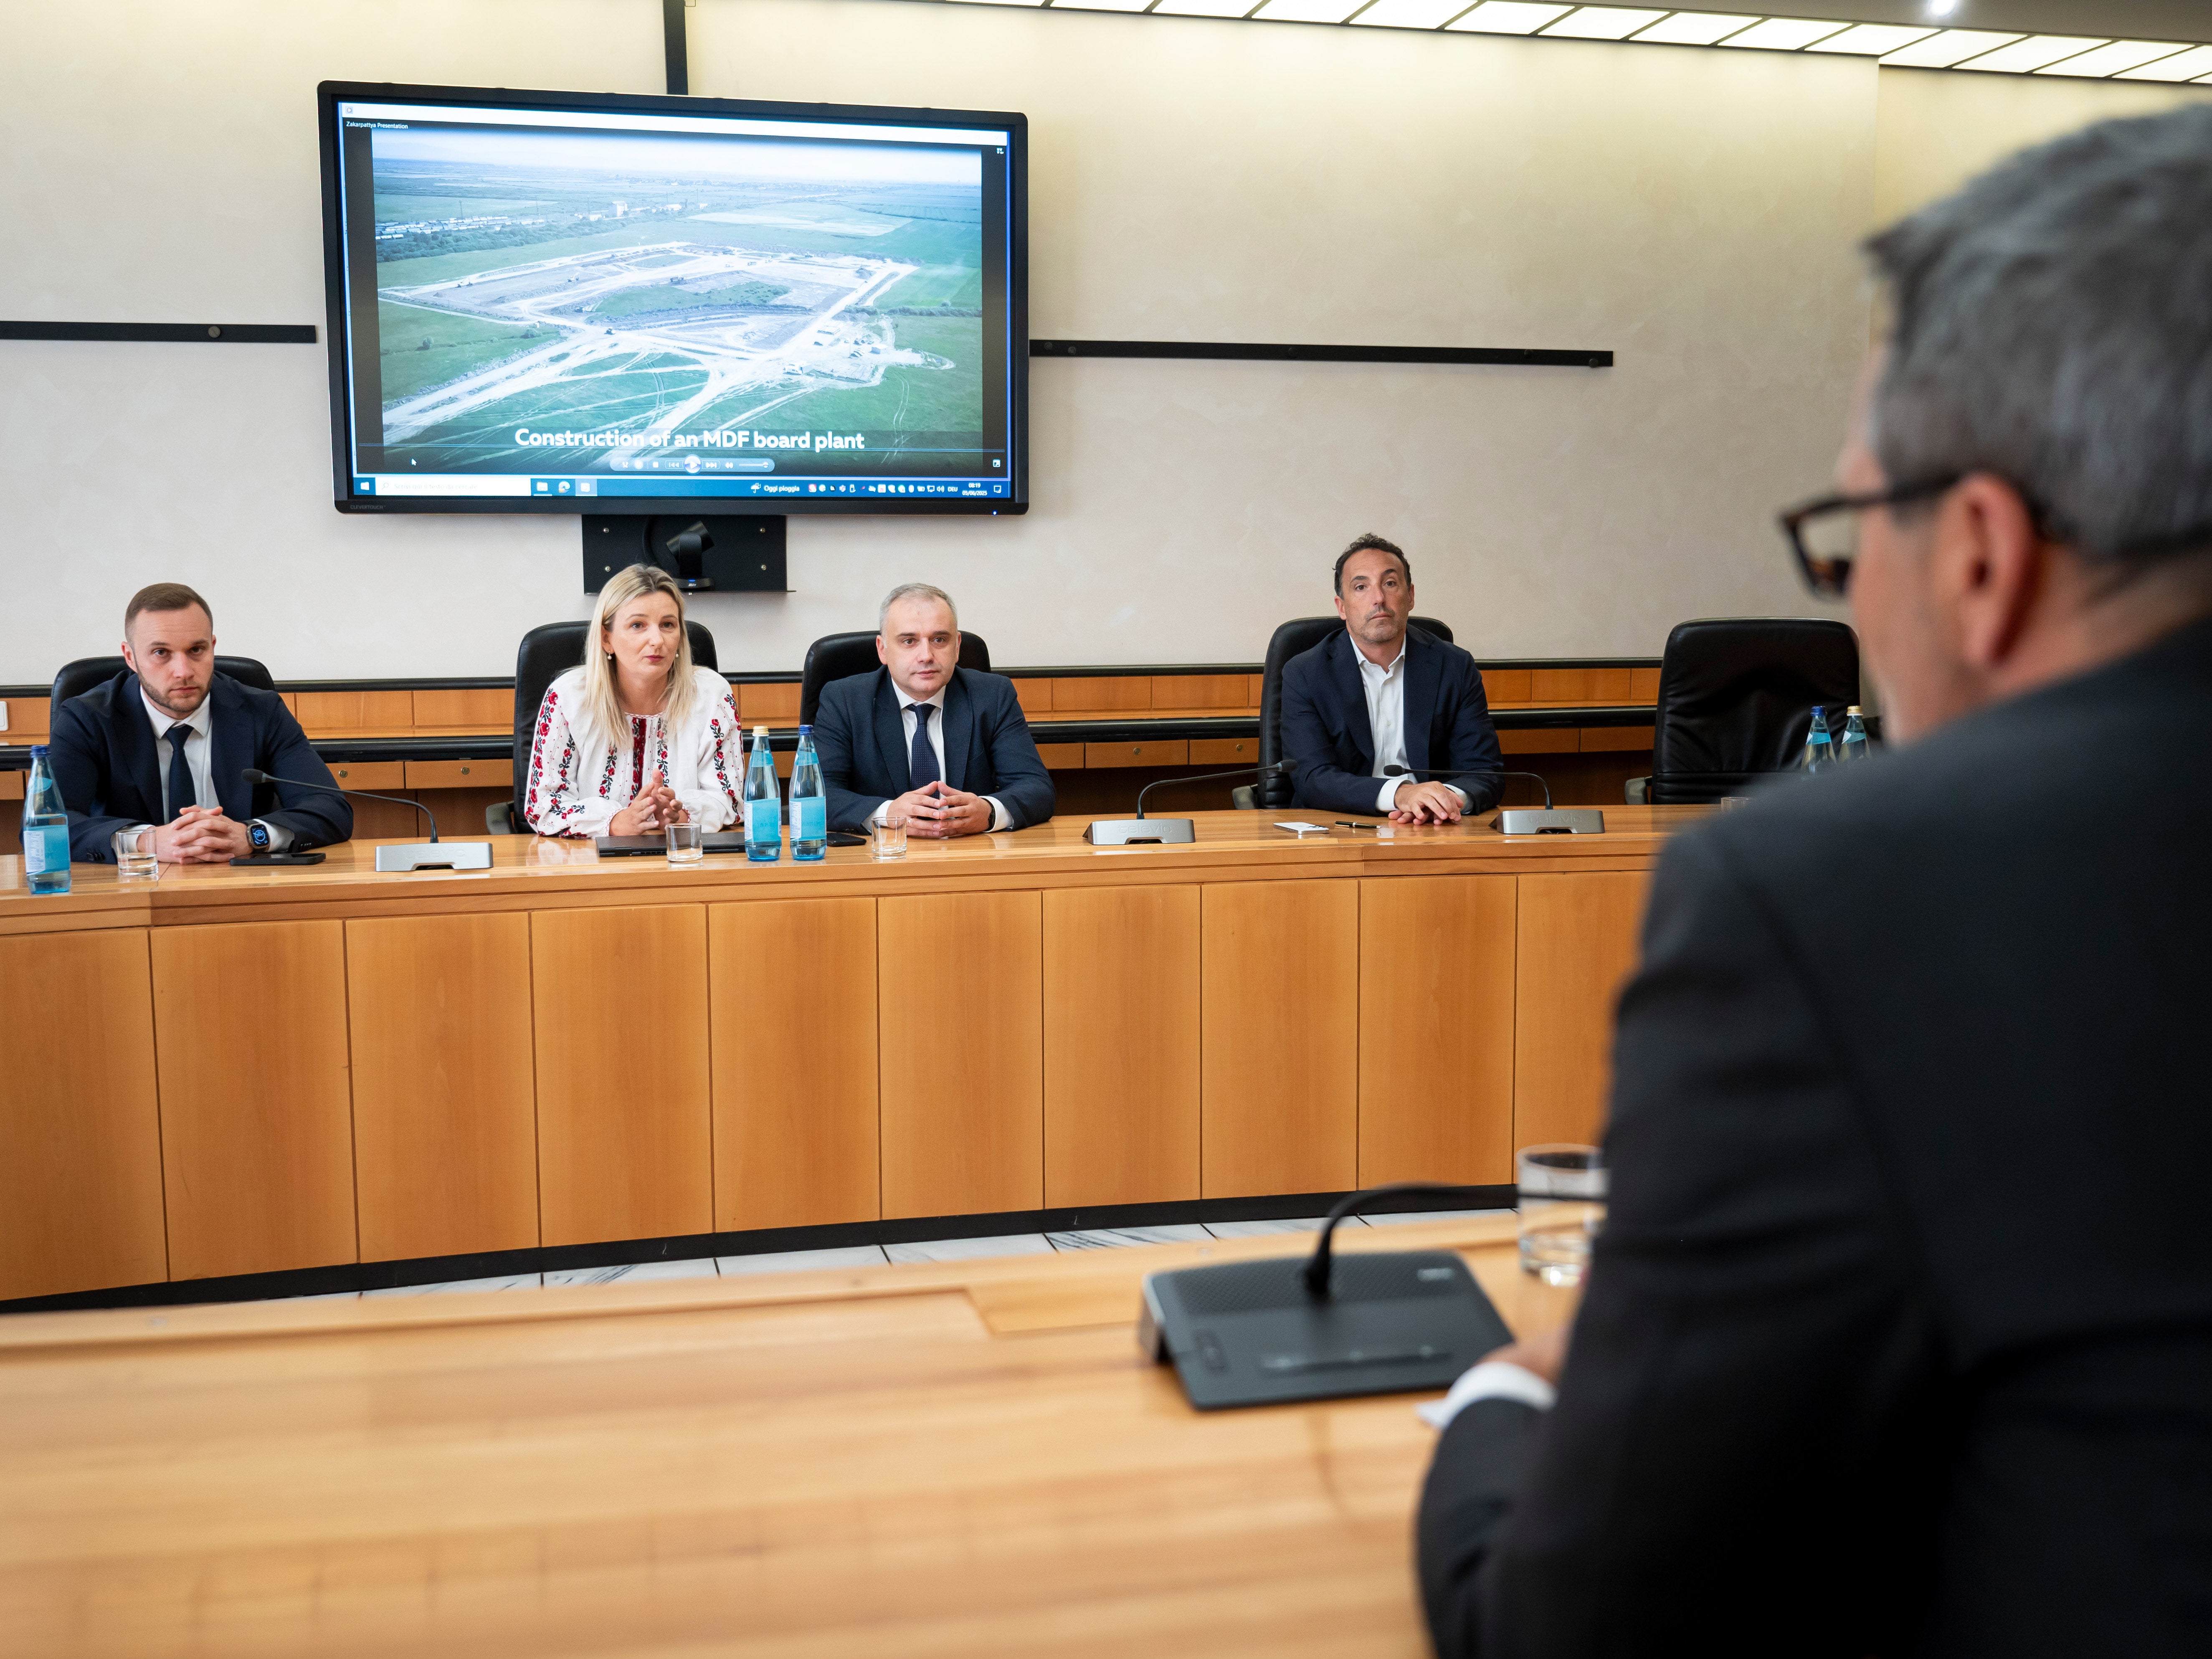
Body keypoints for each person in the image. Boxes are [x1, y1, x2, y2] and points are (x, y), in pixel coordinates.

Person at [1416, 107, 2212, 1659]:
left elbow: (1571, 1627)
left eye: (1852, 529)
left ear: (1976, 554)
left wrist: (1504, 1389)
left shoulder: (1832, 898)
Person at [49, 583, 352, 863]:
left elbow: (330, 808)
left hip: (241, 884)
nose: (183, 671)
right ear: (130, 657)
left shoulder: (262, 711)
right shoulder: (87, 718)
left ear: (212, 646)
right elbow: (50, 824)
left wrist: (251, 836)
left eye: (196, 650)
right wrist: (145, 841)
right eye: (161, 653)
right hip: (134, 887)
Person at [1279, 535, 1503, 823]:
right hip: (1340, 827)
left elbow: (1483, 771)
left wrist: (1439, 802)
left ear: (1410, 596)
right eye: (1361, 587)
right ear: (1342, 607)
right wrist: (1400, 794)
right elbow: (1313, 777)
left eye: (1389, 583)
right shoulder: (1305, 673)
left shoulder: (1455, 666)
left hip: (1433, 827)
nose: (1378, 599)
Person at [813, 583, 1053, 838]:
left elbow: (1037, 788)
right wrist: (887, 814)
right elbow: (818, 794)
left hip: (969, 851)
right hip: (884, 852)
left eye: (939, 640)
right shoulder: (844, 700)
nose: (926, 655)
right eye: (909, 641)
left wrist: (990, 812)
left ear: (957, 646)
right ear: (883, 650)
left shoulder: (993, 696)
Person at [523, 563, 742, 836]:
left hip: (684, 855)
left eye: (668, 625)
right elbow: (544, 807)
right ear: (607, 639)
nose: (657, 640)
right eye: (638, 625)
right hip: (590, 859)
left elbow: (730, 800)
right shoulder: (568, 697)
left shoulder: (712, 696)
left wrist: (680, 816)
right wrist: (616, 822)